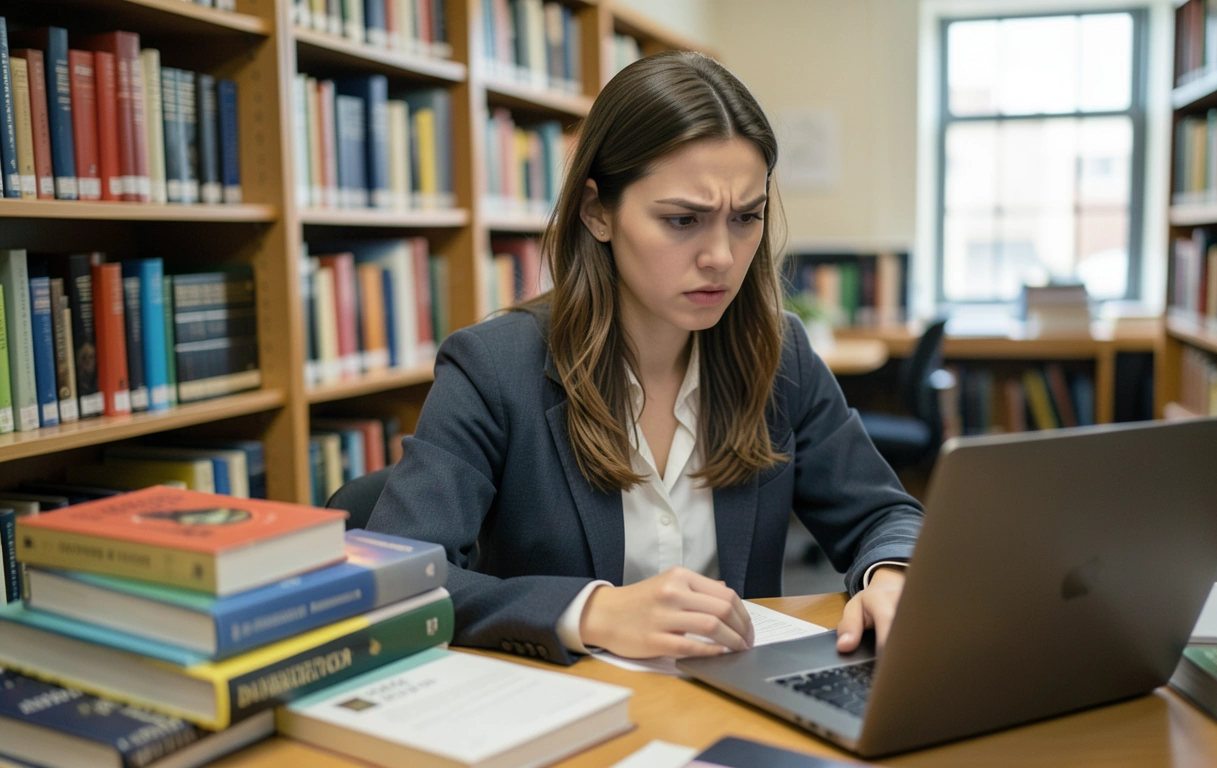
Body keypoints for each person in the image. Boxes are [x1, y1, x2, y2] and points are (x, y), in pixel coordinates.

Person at [366, 50, 924, 666]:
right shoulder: (493, 369)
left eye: (747, 217)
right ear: (597, 211)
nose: (721, 255)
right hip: (571, 722)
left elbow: (886, 514)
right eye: (683, 219)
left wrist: (890, 577)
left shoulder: (779, 354)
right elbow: (400, 577)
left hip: (734, 710)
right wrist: (591, 611)